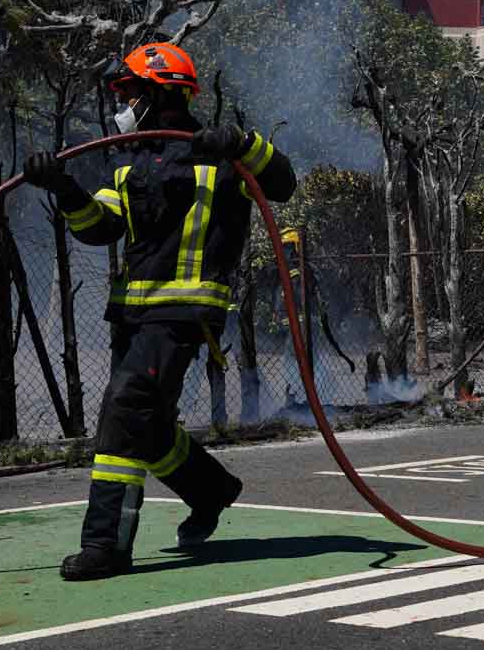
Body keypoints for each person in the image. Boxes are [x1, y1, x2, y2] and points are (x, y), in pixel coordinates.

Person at [23, 40, 297, 581]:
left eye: (129, 90)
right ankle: (212, 489)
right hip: (133, 314)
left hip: (184, 315)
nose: (121, 101)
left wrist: (244, 145)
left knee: (123, 410)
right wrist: (63, 187)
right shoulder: (130, 162)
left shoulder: (217, 152)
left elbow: (283, 183)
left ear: (160, 92)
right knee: (143, 427)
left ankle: (106, 545)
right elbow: (99, 229)